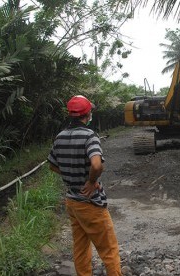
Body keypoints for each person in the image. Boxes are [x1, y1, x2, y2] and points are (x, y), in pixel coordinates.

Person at [48, 95, 122, 276]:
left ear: (70, 114)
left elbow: (52, 165)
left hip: (72, 202)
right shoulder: (90, 136)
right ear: (87, 114)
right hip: (90, 203)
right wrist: (90, 181)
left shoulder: (60, 136)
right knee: (109, 249)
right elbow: (96, 164)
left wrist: (69, 174)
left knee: (80, 246)